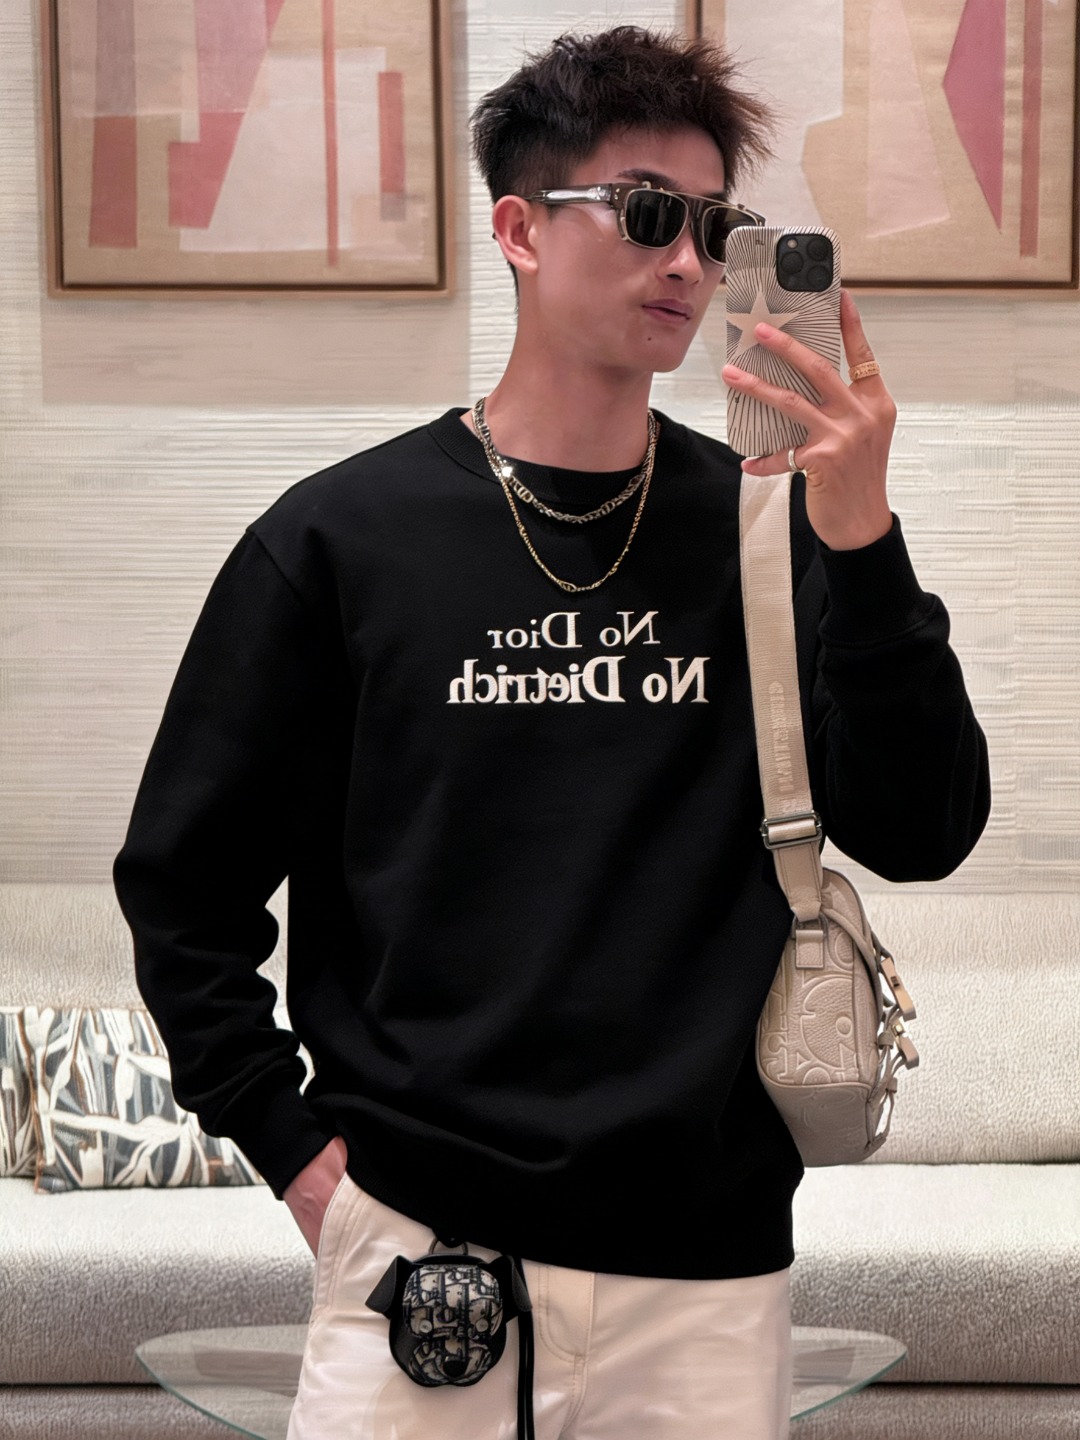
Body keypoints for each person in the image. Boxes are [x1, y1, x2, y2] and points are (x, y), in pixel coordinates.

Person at [113, 24, 991, 1440]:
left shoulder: (774, 531)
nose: (689, 261)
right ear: (519, 230)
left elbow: (922, 831)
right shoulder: (342, 541)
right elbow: (184, 889)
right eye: (646, 214)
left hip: (706, 1269)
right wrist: (297, 1158)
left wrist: (863, 536)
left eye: (714, 226)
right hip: (414, 1253)